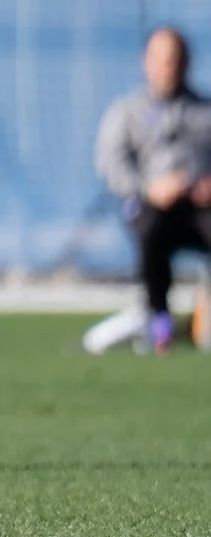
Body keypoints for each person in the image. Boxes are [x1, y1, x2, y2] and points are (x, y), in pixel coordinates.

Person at [94, 27, 211, 353]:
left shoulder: (205, 110)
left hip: (201, 208)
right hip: (154, 206)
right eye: (162, 59)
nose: (169, 67)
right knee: (150, 229)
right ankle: (159, 319)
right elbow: (111, 165)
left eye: (176, 59)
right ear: (146, 62)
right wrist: (149, 188)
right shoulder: (127, 112)